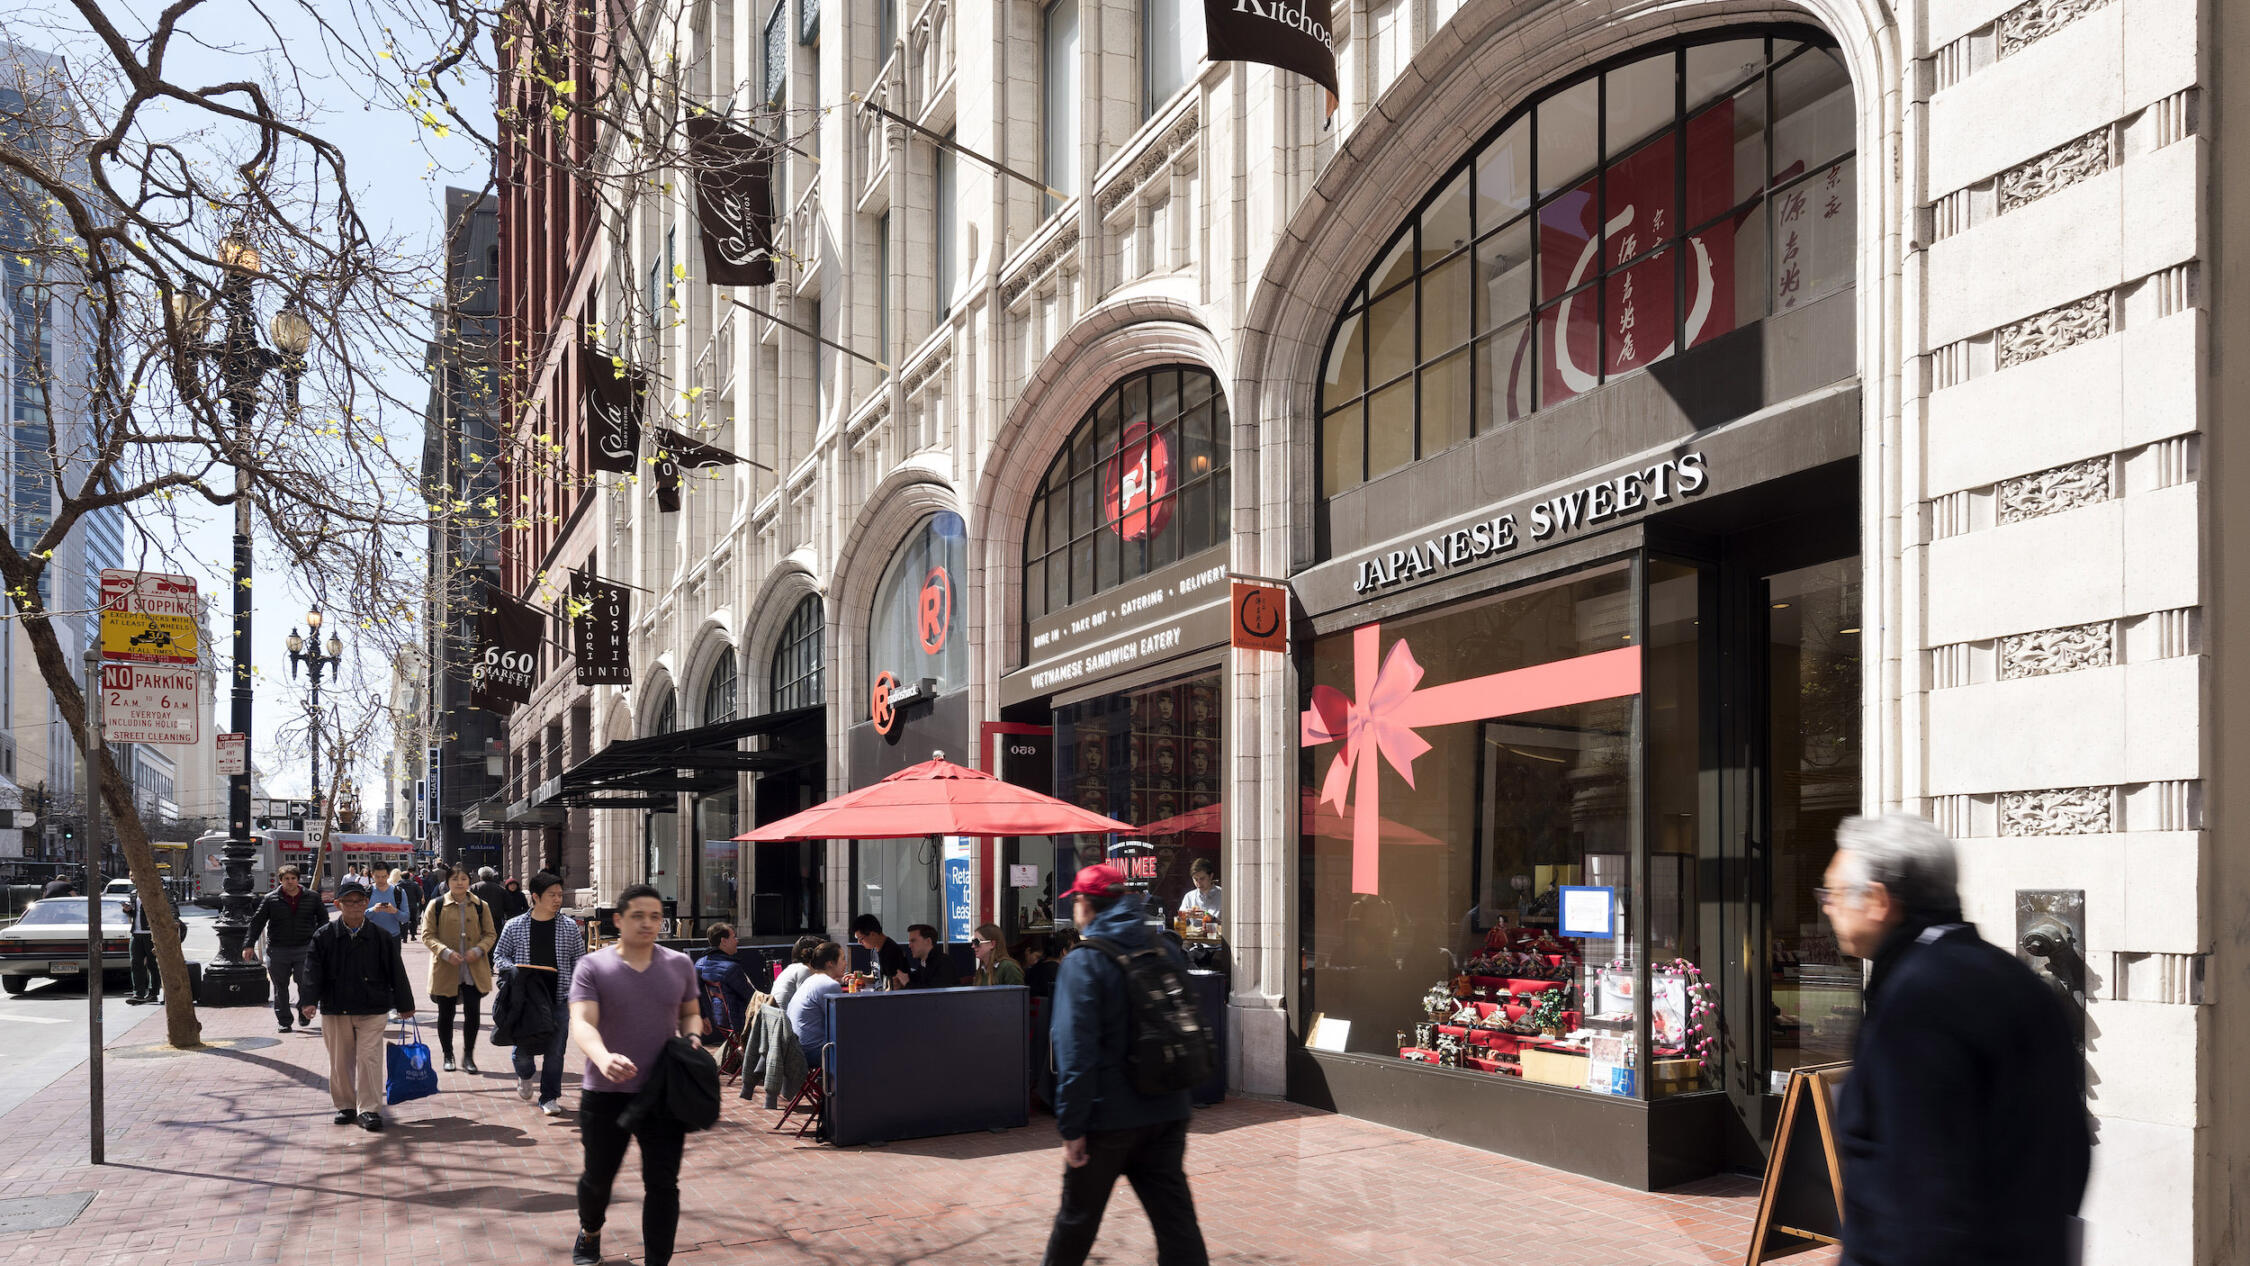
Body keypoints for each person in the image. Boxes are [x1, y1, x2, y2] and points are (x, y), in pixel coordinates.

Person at [1822, 814, 2089, 1266]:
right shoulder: (2011, 976)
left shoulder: (1918, 997)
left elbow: (1914, 1196)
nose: (1827, 906)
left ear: (1877, 900)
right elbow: (2071, 1154)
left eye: (1832, 893)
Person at [1042, 862, 1208, 1266]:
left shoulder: (1084, 962)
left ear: (1085, 903)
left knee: (1076, 1223)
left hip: (1108, 1119)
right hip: (1168, 1108)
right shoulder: (1163, 947)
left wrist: (1072, 1126)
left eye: (1076, 901)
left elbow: (1075, 1054)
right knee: (1176, 1223)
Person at [568, 883, 702, 1266]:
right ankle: (590, 1231)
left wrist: (691, 1036)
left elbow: (689, 1011)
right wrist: (602, 1055)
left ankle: (657, 1260)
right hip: (605, 1092)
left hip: (663, 1093)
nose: (648, 924)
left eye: (655, 917)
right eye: (638, 916)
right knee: (598, 1178)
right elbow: (582, 1022)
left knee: (663, 1185)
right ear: (618, 919)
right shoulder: (593, 966)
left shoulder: (678, 964)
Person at [303, 881, 416, 1132]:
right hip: (336, 1007)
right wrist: (308, 1000)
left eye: (359, 901)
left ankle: (369, 1109)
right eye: (348, 902)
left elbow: (396, 972)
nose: (354, 906)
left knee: (369, 1059)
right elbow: (312, 971)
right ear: (338, 905)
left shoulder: (381, 936)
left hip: (372, 1006)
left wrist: (404, 1004)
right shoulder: (324, 935)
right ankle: (345, 1105)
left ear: (367, 904)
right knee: (340, 1061)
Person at [493, 870, 585, 1117]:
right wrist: (511, 969)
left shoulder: (569, 927)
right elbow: (499, 955)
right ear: (536, 896)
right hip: (526, 1001)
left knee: (556, 1051)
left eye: (560, 895)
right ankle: (524, 1076)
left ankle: (549, 1096)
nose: (558, 899)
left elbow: (579, 960)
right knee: (523, 1053)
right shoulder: (514, 926)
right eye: (552, 895)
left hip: (559, 998)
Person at [421, 864, 497, 1073]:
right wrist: (445, 952)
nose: (459, 882)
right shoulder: (436, 905)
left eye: (463, 878)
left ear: (469, 881)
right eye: (455, 879)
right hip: (446, 968)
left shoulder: (481, 906)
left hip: (473, 969)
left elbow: (490, 934)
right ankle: (448, 1055)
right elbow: (427, 935)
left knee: (473, 1014)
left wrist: (479, 950)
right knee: (446, 1014)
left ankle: (469, 1055)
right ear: (447, 882)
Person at [244, 864, 329, 1033]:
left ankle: (304, 1011)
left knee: (304, 983)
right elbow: (257, 922)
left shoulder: (312, 897)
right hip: (278, 949)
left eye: (293, 878)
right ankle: (284, 1021)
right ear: (280, 881)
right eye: (286, 879)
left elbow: (323, 921)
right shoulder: (271, 899)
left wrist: (321, 942)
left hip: (305, 948)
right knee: (280, 987)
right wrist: (248, 944)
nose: (290, 882)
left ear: (298, 880)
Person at [784, 940, 848, 1064]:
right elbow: (840, 1023)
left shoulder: (810, 980)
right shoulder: (830, 985)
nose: (846, 963)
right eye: (843, 959)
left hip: (794, 1047)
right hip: (812, 1050)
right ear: (830, 963)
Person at [696, 923, 761, 1037]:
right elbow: (752, 998)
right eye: (733, 937)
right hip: (740, 1025)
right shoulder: (732, 968)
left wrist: (703, 1016)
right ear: (724, 941)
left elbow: (693, 993)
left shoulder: (699, 964)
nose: (737, 941)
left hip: (719, 1023)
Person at [122, 884, 179, 1005]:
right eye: (131, 875)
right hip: (136, 933)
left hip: (152, 933)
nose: (132, 877)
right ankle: (138, 993)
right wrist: (127, 910)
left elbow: (172, 907)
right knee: (135, 962)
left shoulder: (158, 890)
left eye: (133, 875)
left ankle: (153, 993)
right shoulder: (134, 893)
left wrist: (173, 921)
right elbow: (135, 913)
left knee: (153, 964)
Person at [850, 914, 910, 989]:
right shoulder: (874, 948)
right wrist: (862, 978)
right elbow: (876, 977)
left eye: (861, 938)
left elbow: (894, 986)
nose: (859, 942)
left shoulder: (892, 952)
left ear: (873, 934)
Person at [770, 935, 823, 1011]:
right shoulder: (804, 970)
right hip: (785, 1020)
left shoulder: (793, 968)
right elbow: (807, 1000)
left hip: (778, 1017)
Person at [903, 923, 960, 990]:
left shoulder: (943, 962)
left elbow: (933, 994)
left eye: (913, 941)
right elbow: (917, 979)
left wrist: (907, 983)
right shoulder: (925, 963)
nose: (910, 946)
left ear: (928, 941)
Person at [972, 923, 1025, 988]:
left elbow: (1017, 996)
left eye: (977, 942)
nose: (973, 946)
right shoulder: (981, 970)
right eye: (973, 942)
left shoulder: (1009, 968)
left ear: (992, 944)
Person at [363, 865, 404, 939]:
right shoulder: (367, 891)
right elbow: (359, 915)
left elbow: (405, 917)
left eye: (383, 876)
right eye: (377, 877)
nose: (380, 879)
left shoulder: (397, 890)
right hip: (372, 936)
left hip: (391, 935)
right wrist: (373, 909)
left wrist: (394, 911)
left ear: (388, 875)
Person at [1177, 858, 1221, 923]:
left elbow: (1232, 925)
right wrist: (1184, 915)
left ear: (1211, 876)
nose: (1198, 883)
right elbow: (1179, 920)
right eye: (1195, 879)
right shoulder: (1189, 896)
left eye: (1202, 879)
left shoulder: (1223, 895)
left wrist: (1211, 918)